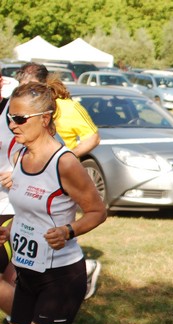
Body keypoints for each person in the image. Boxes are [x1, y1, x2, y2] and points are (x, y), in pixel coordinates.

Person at [0, 82, 109, 324]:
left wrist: (69, 231)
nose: (12, 125)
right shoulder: (19, 155)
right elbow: (26, 210)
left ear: (45, 118)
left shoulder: (64, 162)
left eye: (20, 119)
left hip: (60, 278)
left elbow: (97, 210)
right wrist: (13, 230)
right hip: (27, 274)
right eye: (11, 117)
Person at [16, 62, 102, 300]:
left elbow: (94, 137)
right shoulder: (21, 111)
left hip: (61, 173)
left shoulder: (67, 107)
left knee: (56, 229)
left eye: (32, 88)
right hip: (31, 169)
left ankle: (80, 271)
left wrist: (64, 158)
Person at [0, 75, 20, 319]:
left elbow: (43, 152)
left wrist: (17, 174)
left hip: (10, 204)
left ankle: (28, 322)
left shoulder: (15, 114)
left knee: (11, 273)